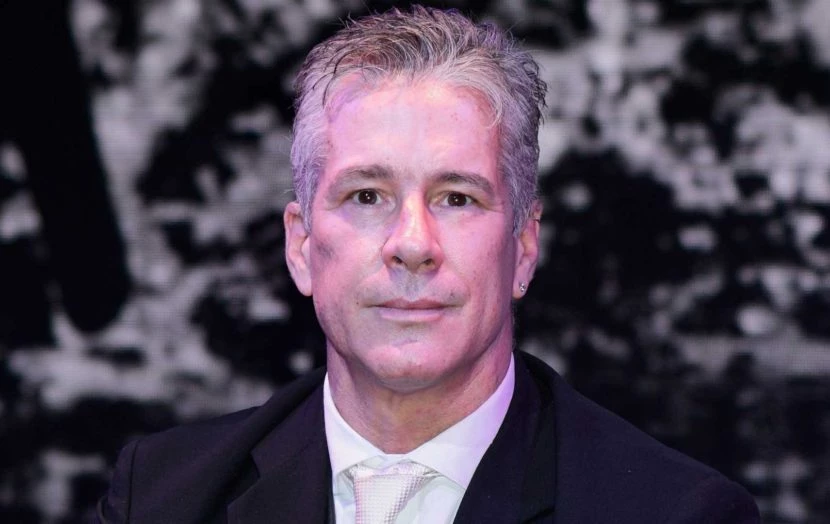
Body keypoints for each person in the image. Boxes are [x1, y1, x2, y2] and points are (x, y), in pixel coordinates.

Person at [96, 6, 760, 523]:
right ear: (300, 247)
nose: (413, 243)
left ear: (524, 247)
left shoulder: (675, 513)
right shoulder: (158, 499)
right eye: (366, 196)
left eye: (456, 198)